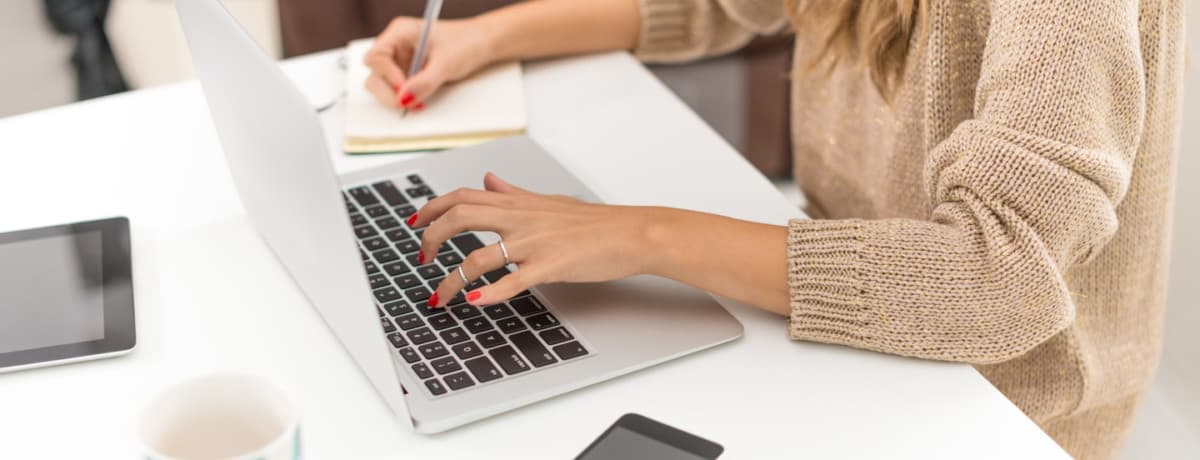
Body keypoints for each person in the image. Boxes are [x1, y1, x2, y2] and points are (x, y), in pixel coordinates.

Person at [363, 1, 1185, 457]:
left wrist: (640, 237)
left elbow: (999, 279)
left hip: (996, 403)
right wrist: (485, 37)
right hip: (838, 325)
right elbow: (711, 5)